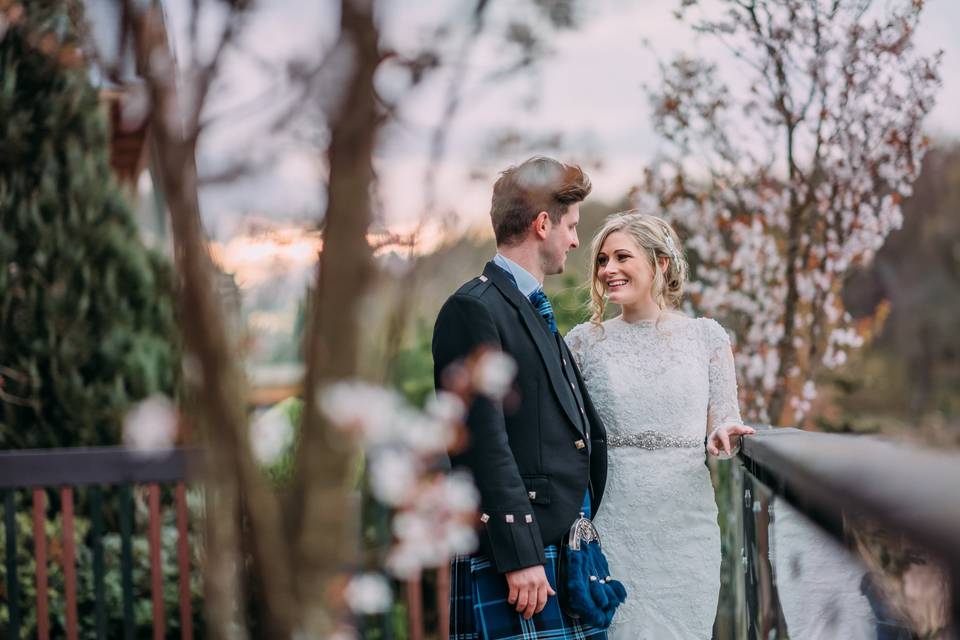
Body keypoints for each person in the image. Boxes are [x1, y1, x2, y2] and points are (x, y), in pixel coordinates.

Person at [433, 156, 609, 639]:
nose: (575, 241)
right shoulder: (474, 309)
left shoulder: (531, 308)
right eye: (572, 226)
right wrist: (520, 555)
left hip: (560, 541)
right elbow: (481, 441)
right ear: (543, 224)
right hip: (522, 553)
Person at [565, 212, 755, 639]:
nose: (608, 269)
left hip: (684, 522)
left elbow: (725, 415)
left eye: (621, 257)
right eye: (602, 260)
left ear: (661, 263)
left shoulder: (707, 338)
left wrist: (723, 432)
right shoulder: (581, 343)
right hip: (614, 517)